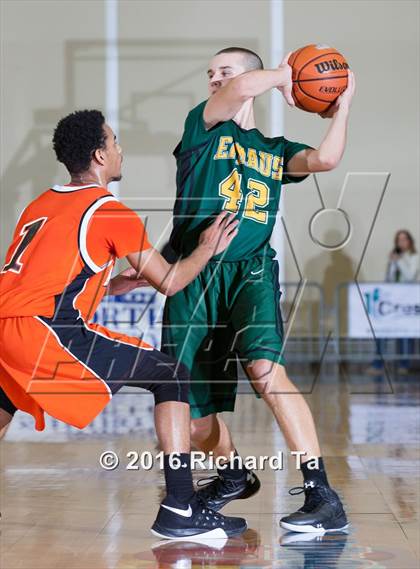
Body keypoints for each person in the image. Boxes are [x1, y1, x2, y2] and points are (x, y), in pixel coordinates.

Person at [0, 109, 247, 540]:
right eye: (114, 142)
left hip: (7, 326)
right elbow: (171, 282)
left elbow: (44, 280)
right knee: (171, 375)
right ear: (99, 155)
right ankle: (180, 508)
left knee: (3, 402)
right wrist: (207, 248)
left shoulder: (39, 204)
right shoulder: (109, 210)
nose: (120, 149)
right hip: (44, 331)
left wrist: (110, 286)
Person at [161, 47, 355, 533]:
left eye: (224, 71)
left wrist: (343, 103)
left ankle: (321, 494)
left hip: (250, 271)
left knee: (267, 371)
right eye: (209, 73)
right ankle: (231, 476)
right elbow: (241, 90)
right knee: (190, 406)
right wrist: (285, 76)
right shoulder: (201, 126)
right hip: (195, 270)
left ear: (252, 75)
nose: (214, 79)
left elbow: (327, 158)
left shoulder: (274, 149)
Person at [367, 229, 419, 375]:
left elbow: (410, 276)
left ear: (410, 242)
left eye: (404, 240)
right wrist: (393, 263)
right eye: (399, 240)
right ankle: (378, 364)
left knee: (405, 334)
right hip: (392, 300)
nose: (401, 243)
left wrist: (399, 261)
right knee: (383, 331)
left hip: (407, 300)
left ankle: (404, 364)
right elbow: (389, 277)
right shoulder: (394, 257)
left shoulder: (414, 257)